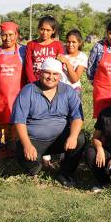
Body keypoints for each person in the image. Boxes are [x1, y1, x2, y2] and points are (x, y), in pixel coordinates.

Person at [12, 58, 86, 187]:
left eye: (55, 74)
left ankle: (65, 173)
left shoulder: (68, 91)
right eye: (47, 73)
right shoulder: (28, 90)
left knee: (79, 138)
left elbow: (77, 116)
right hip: (34, 140)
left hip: (60, 140)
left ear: (60, 76)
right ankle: (34, 169)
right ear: (40, 73)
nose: (51, 77)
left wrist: (73, 137)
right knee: (22, 149)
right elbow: (19, 120)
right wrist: (27, 145)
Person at [0, 21, 26, 159]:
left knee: (15, 123)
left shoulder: (22, 51)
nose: (7, 38)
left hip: (17, 98)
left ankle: (13, 152)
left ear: (17, 35)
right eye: (4, 35)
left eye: (11, 35)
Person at [87, 20, 111, 119]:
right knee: (102, 117)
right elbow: (90, 67)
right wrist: (94, 83)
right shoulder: (98, 47)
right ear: (107, 33)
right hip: (101, 90)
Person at [25, 16, 65, 83]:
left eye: (48, 30)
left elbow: (59, 66)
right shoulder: (31, 44)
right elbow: (28, 66)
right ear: (38, 28)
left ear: (53, 31)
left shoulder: (58, 45)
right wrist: (33, 83)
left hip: (51, 82)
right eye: (42, 29)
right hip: (35, 82)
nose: (44, 33)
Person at [57, 29, 87, 97]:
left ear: (79, 43)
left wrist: (67, 62)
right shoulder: (61, 50)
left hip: (74, 90)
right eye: (68, 42)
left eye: (74, 42)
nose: (70, 44)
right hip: (58, 88)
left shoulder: (82, 57)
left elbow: (74, 79)